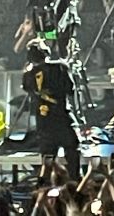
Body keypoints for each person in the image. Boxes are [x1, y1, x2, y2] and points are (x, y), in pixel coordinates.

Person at [22, 39, 80, 178]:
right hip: (62, 119)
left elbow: (28, 89)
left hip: (44, 124)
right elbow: (70, 90)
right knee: (72, 151)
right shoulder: (60, 67)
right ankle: (75, 182)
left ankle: (45, 185)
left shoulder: (28, 75)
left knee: (47, 158)